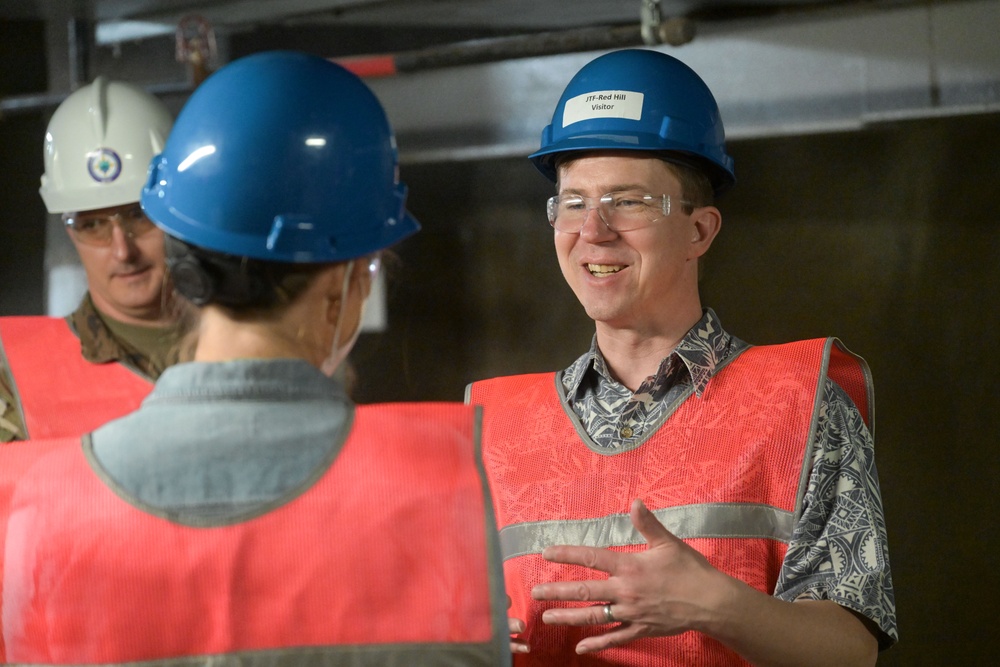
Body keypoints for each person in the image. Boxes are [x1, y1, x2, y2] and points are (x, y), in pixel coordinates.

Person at [2, 51, 510, 666]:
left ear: (182, 256)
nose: (120, 250)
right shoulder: (439, 483)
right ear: (343, 285)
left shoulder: (43, 498)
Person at [467, 48, 896, 665]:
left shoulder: (801, 401)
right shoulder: (488, 423)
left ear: (699, 231)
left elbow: (850, 651)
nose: (593, 230)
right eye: (574, 201)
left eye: (628, 201)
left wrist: (711, 605)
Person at [0, 77, 181, 442]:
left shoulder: (266, 340)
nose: (122, 250)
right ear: (69, 229)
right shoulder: (15, 377)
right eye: (93, 225)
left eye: (139, 215)